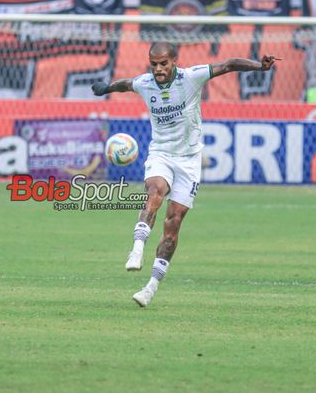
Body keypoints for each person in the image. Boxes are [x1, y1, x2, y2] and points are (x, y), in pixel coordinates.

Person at [92, 43, 279, 307]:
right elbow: (125, 84)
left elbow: (228, 65)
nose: (158, 69)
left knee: (174, 222)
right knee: (155, 190)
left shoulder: (191, 77)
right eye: (153, 64)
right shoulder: (145, 83)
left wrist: (260, 66)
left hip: (189, 161)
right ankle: (136, 249)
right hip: (161, 154)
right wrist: (106, 88)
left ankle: (150, 288)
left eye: (163, 64)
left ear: (174, 62)